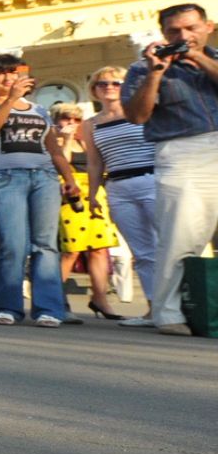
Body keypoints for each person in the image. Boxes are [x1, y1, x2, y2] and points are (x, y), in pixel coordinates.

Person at [122, 4, 218, 337]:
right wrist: (156, 73)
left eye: (191, 28)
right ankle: (167, 313)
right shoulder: (142, 69)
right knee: (181, 236)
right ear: (163, 35)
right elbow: (136, 115)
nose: (183, 37)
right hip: (182, 151)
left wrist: (201, 60)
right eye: (174, 32)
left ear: (208, 26)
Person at [0, 53, 76, 327]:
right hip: (5, 177)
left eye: (14, 72)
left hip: (44, 177)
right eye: (1, 73)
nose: (8, 78)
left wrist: (69, 179)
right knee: (13, 243)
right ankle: (6, 305)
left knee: (45, 244)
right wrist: (10, 100)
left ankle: (49, 308)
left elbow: (53, 149)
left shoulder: (39, 110)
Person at [80, 64, 159, 326]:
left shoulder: (142, 111)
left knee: (167, 245)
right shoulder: (90, 124)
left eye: (116, 83)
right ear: (94, 91)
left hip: (151, 179)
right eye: (103, 84)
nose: (109, 88)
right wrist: (92, 195)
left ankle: (181, 305)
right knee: (142, 251)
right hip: (118, 187)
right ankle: (153, 307)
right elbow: (94, 162)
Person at [50, 103, 122, 319]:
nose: (71, 123)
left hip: (94, 192)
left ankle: (100, 298)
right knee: (71, 249)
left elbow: (98, 164)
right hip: (68, 192)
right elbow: (60, 164)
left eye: (76, 119)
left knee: (99, 247)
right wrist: (67, 139)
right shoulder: (52, 141)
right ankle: (56, 299)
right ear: (56, 119)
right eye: (66, 118)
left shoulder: (86, 141)